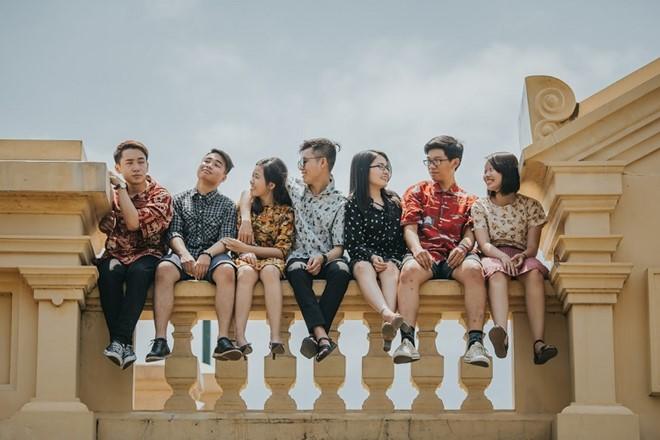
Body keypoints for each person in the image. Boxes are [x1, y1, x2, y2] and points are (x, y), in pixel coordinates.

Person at [239, 138, 351, 362]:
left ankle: (316, 336)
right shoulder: (294, 186)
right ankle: (321, 336)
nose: (301, 167)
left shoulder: (340, 202)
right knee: (296, 271)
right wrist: (246, 220)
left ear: (322, 163)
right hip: (298, 257)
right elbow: (248, 191)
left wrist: (323, 258)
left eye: (305, 161)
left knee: (342, 272)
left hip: (327, 258)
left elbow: (339, 247)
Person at [394, 135, 490, 367]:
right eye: (428, 161)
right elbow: (409, 227)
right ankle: (407, 341)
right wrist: (417, 249)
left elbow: (471, 231)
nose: (432, 166)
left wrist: (464, 246)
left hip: (455, 257)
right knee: (408, 272)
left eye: (437, 160)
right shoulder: (418, 191)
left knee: (474, 271)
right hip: (425, 254)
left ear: (455, 162)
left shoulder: (470, 200)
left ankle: (475, 343)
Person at [146, 149, 241, 362]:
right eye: (206, 160)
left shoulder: (227, 205)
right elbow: (174, 233)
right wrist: (184, 254)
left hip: (214, 256)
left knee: (227, 271)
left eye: (216, 164)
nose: (209, 165)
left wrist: (207, 254)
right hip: (183, 254)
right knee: (164, 269)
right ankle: (160, 340)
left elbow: (226, 238)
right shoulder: (178, 200)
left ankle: (223, 339)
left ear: (224, 177)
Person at [472, 152, 557, 365]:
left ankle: (539, 343)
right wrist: (502, 257)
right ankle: (501, 334)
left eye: (492, 170)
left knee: (535, 273)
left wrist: (522, 256)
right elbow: (484, 244)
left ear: (507, 172)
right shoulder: (480, 206)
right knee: (496, 275)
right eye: (485, 171)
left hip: (521, 255)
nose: (486, 175)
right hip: (493, 254)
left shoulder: (531, 206)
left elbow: (532, 247)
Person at [97, 140, 173, 369]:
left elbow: (133, 223)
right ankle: (123, 345)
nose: (137, 167)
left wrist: (120, 188)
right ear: (118, 167)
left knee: (139, 273)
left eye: (141, 162)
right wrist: (104, 222)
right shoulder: (111, 196)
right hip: (117, 254)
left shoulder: (160, 196)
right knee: (109, 273)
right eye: (129, 163)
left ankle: (119, 340)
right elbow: (103, 223)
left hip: (148, 254)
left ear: (147, 165)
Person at [223, 157, 294, 359]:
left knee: (270, 272)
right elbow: (236, 242)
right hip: (246, 258)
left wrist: (249, 248)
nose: (251, 181)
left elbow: (282, 251)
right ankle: (240, 337)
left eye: (256, 177)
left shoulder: (285, 212)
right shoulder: (246, 206)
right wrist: (246, 252)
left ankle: (275, 337)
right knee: (245, 273)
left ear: (271, 185)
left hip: (271, 259)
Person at [345, 150, 406, 352]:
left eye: (387, 167)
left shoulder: (394, 201)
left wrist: (390, 259)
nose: (385, 171)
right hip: (364, 257)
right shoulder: (353, 203)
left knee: (390, 270)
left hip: (391, 258)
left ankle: (388, 327)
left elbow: (400, 239)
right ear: (363, 170)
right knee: (362, 267)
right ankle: (387, 314)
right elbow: (352, 242)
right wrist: (371, 256)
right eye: (379, 166)